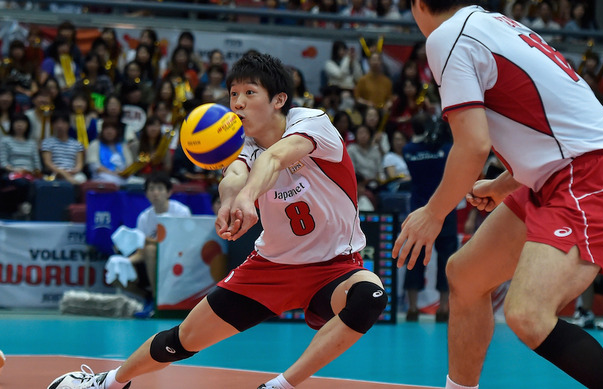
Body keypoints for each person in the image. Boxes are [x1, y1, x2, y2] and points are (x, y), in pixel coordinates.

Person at [49, 52, 388, 389]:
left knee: (369, 296)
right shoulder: (240, 146)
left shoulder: (312, 123)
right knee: (180, 341)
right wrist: (229, 201)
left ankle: (280, 386)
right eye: (233, 94)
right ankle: (107, 382)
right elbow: (235, 174)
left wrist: (246, 197)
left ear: (278, 100)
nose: (238, 103)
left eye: (249, 93)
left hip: (336, 265)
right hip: (270, 267)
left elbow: (275, 159)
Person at [393, 2, 603, 389]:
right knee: (465, 275)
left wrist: (433, 213)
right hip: (556, 175)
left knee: (527, 315)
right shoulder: (493, 23)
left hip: (587, 178)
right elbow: (550, 129)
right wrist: (500, 184)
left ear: (418, 5)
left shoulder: (446, 37)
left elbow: (473, 146)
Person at [402, 113, 456, 322]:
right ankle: (443, 308)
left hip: (418, 212)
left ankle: (412, 308)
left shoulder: (409, 151)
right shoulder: (445, 149)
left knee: (413, 259)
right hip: (444, 210)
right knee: (446, 260)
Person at [125, 172, 191, 318]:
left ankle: (156, 301)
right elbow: (140, 249)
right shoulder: (143, 217)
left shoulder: (181, 211)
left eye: (160, 189)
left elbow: (184, 242)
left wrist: (151, 241)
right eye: (151, 189)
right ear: (146, 193)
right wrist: (125, 262)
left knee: (150, 249)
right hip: (150, 262)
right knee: (119, 273)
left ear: (169, 192)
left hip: (177, 259)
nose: (155, 193)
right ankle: (149, 297)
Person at [40, 110, 87, 185]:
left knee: (81, 178)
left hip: (72, 173)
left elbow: (79, 164)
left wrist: (73, 171)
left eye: (63, 122)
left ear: (68, 124)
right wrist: (63, 173)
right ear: (52, 125)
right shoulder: (47, 142)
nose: (60, 125)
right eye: (56, 122)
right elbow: (48, 163)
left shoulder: (77, 144)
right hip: (54, 173)